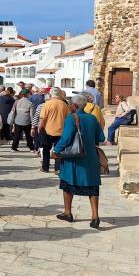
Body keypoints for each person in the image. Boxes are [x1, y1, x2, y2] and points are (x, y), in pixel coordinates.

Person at [52, 94, 105, 229]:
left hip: (74, 158)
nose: (69, 105)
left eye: (70, 103)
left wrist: (56, 150)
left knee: (68, 184)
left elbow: (66, 138)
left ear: (75, 105)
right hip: (90, 158)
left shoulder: (71, 118)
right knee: (93, 188)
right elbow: (101, 136)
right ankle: (95, 217)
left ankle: (68, 212)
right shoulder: (92, 118)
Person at [39, 88, 70, 173]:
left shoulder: (47, 104)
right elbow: (68, 118)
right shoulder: (64, 105)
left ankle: (45, 167)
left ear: (51, 94)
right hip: (61, 130)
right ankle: (58, 168)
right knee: (59, 150)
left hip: (47, 130)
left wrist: (39, 128)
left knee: (46, 150)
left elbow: (42, 119)